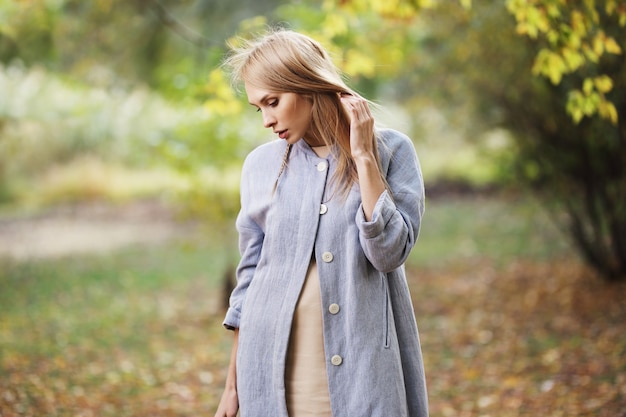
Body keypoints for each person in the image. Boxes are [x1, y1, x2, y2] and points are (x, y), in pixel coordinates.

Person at [214, 28, 428, 417]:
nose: (266, 119)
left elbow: (389, 253)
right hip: (272, 372)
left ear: (308, 86)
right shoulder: (260, 167)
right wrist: (232, 388)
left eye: (273, 102)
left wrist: (363, 157)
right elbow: (248, 283)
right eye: (258, 107)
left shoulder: (392, 151)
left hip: (364, 369)